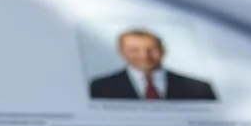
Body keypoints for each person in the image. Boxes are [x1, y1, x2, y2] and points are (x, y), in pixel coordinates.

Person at [89, 29, 217, 101]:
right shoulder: (99, 87)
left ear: (163, 50)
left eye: (152, 49)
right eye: (135, 50)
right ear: (122, 52)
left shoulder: (200, 89)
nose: (145, 56)